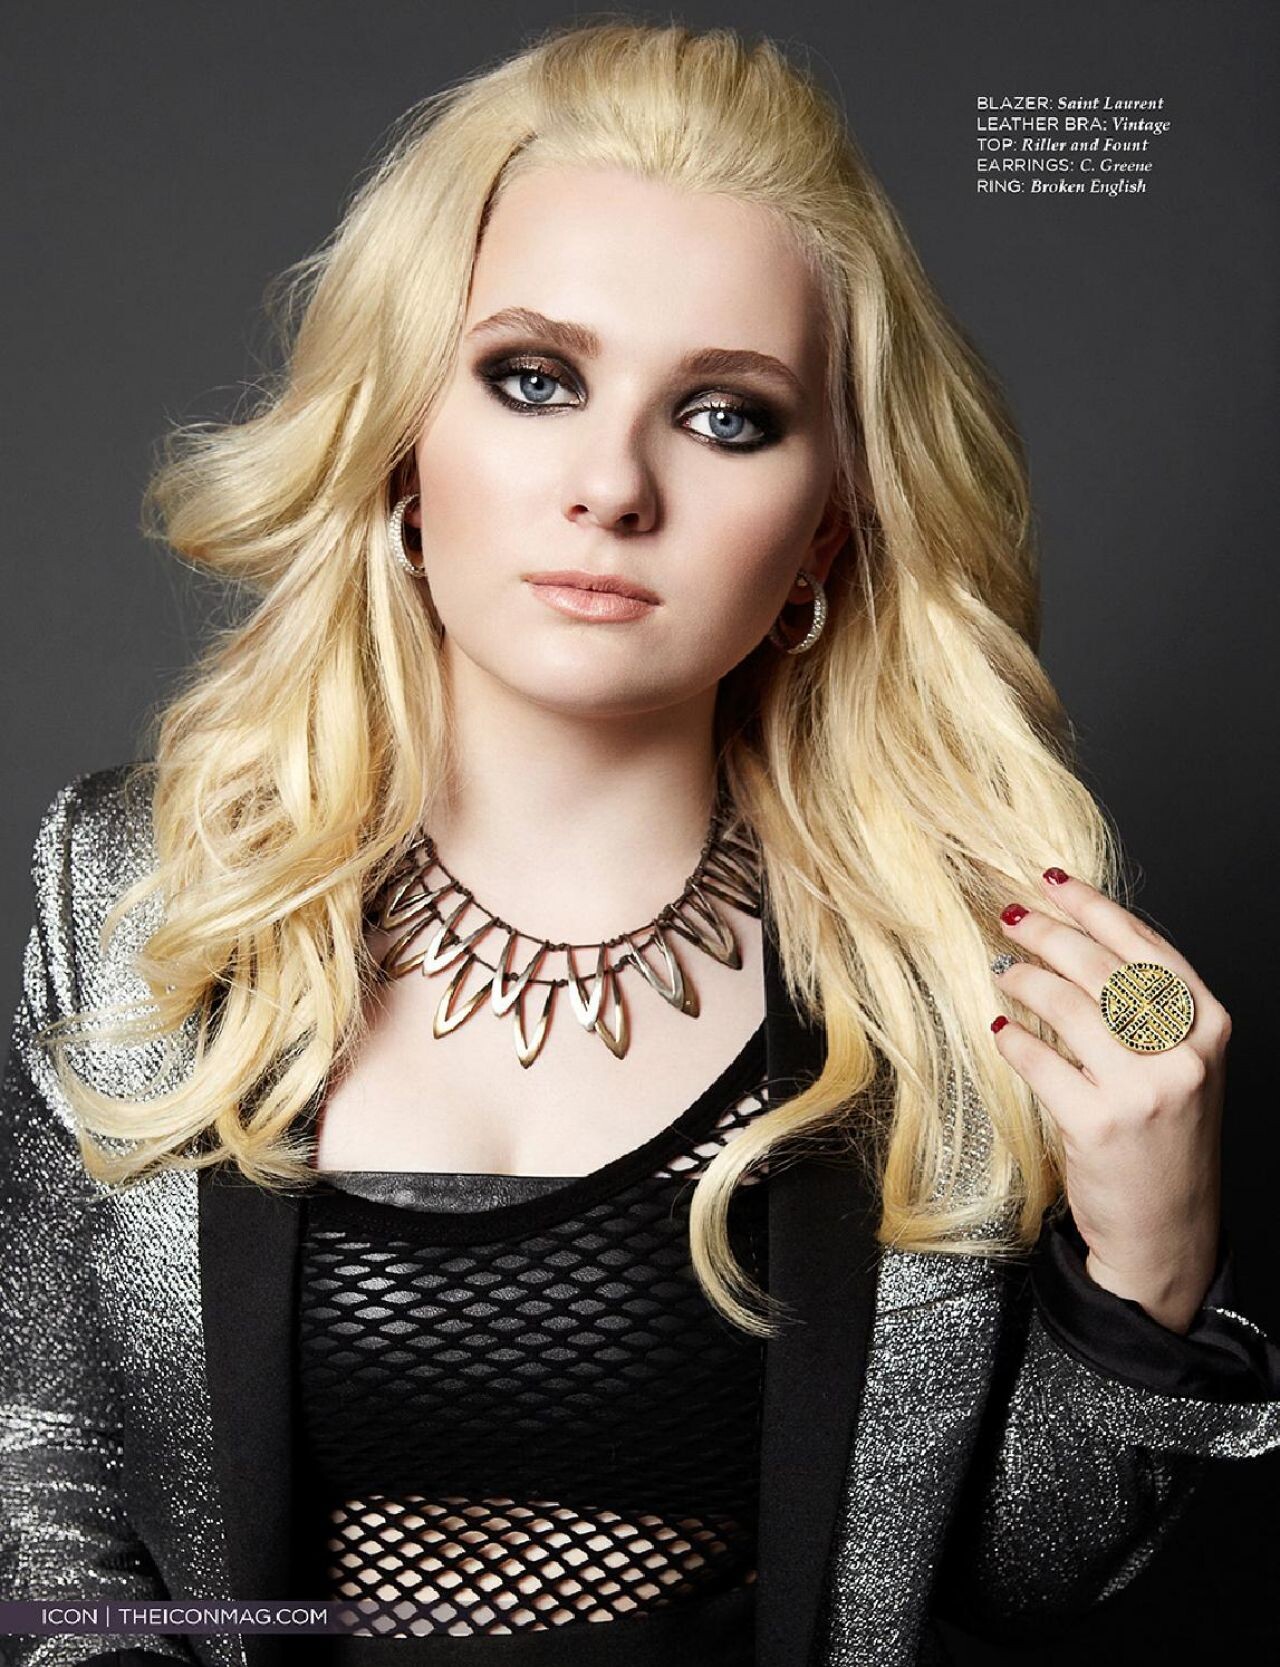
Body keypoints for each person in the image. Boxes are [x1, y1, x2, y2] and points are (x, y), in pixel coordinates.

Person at [2, 20, 1278, 1667]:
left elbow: (1019, 1577)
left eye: (727, 415)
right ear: (402, 442)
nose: (612, 484)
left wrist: (1151, 1259)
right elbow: (43, 1460)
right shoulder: (138, 888)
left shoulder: (943, 967)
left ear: (827, 528)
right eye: (534, 380)